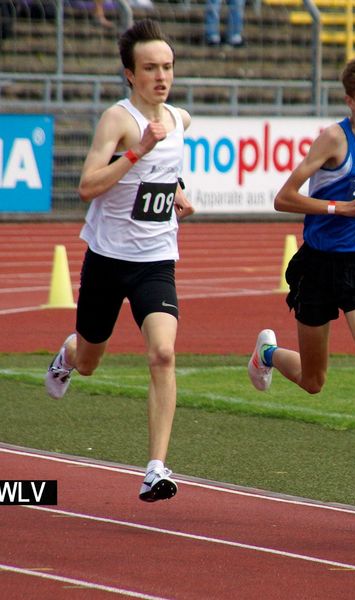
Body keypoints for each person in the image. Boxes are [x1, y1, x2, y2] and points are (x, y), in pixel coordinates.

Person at [247, 51, 355, 518]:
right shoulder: (333, 141)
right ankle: (268, 355)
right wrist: (341, 206)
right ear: (350, 100)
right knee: (316, 380)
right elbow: (284, 198)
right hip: (317, 267)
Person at [44, 18, 194, 503]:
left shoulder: (181, 119)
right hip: (107, 260)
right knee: (90, 360)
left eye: (167, 66)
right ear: (129, 73)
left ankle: (155, 468)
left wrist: (180, 194)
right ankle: (66, 355)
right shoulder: (118, 119)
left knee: (163, 352)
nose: (161, 76)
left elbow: (167, 173)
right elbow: (86, 185)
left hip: (156, 260)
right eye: (150, 67)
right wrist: (137, 152)